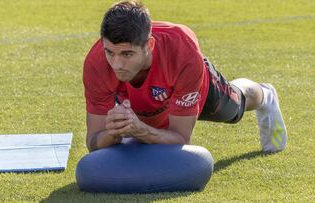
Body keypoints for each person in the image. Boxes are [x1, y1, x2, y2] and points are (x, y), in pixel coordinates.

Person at [83, 0, 287, 153]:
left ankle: (266, 95)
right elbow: (93, 141)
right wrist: (114, 133)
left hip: (196, 89)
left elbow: (181, 139)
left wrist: (140, 131)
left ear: (149, 45)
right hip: (139, 103)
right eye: (110, 52)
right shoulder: (96, 64)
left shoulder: (183, 55)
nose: (117, 64)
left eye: (127, 54)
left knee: (237, 106)